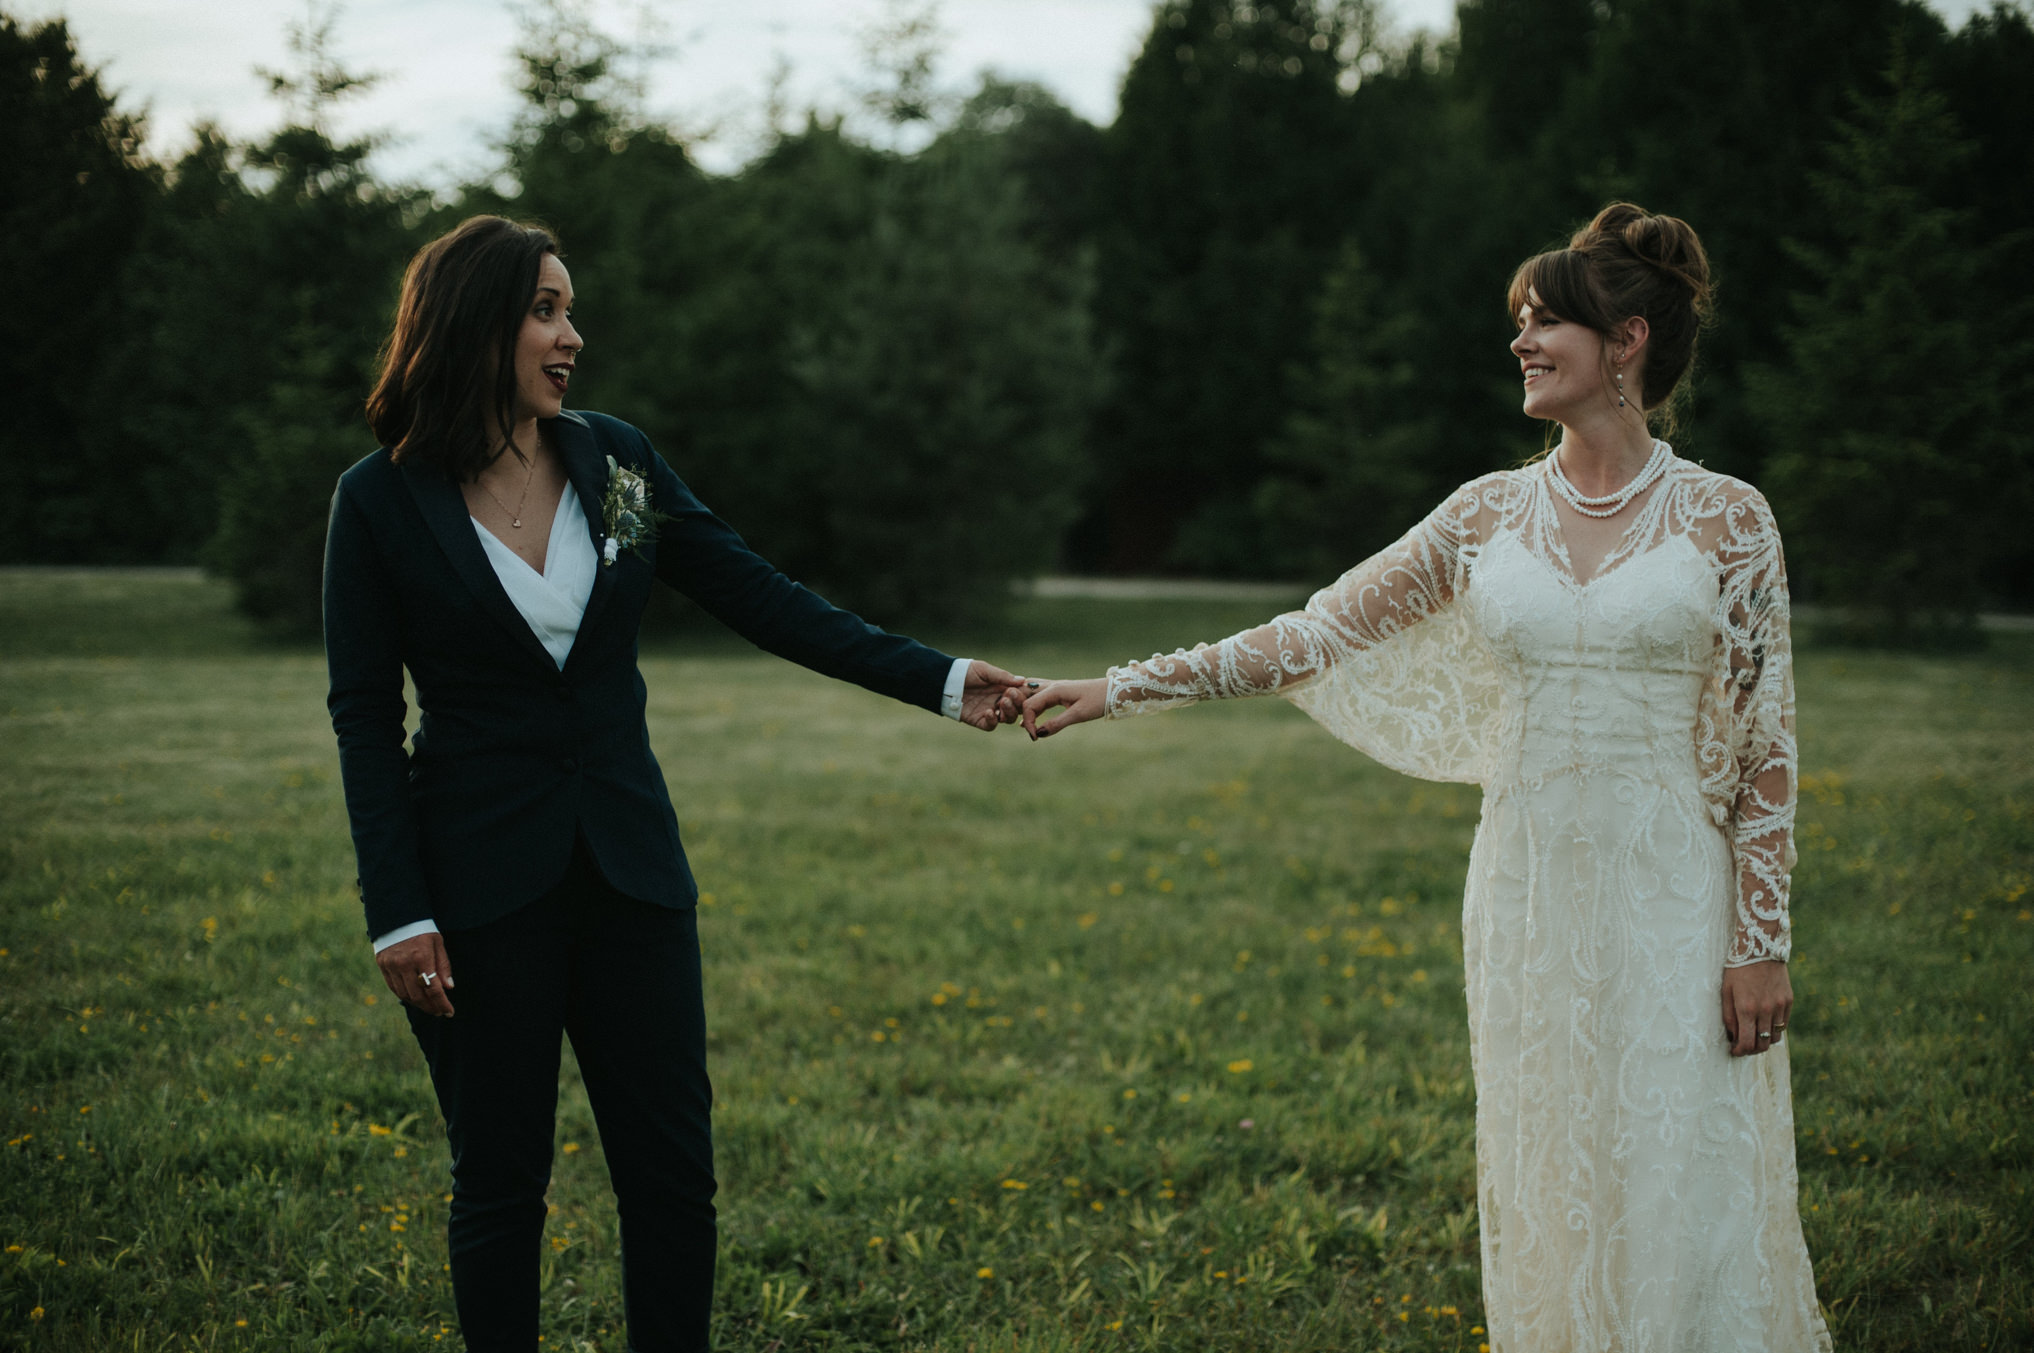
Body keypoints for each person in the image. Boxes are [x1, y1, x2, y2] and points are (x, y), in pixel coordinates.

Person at [1022, 203, 1830, 1350]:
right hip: (1528, 882)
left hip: (1673, 892)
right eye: (1521, 321)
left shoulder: (1730, 520)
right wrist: (1124, 686)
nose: (1522, 341)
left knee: (1678, 1162)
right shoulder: (1484, 515)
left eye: (1547, 320)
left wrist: (1760, 941)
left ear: (1630, 340)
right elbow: (1313, 634)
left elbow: (1765, 749)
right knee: (1547, 1153)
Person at [323, 214, 1027, 1352]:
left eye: (569, 309)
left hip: (633, 877)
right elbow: (364, 717)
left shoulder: (614, 469)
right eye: (546, 310)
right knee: (499, 1186)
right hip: (476, 888)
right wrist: (396, 910)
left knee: (672, 1179)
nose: (573, 336)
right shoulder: (381, 501)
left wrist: (942, 680)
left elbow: (757, 594)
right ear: (474, 324)